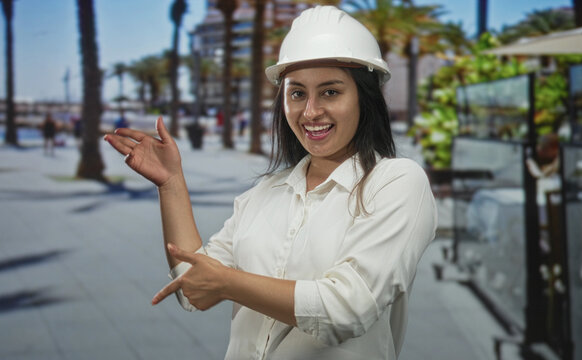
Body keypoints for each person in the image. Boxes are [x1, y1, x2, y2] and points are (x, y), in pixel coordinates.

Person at [103, 6, 437, 359]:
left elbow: (348, 309)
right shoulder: (264, 194)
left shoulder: (397, 183)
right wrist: (171, 183)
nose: (310, 112)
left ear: (365, 98)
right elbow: (194, 286)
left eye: (330, 92)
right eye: (297, 94)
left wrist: (229, 282)